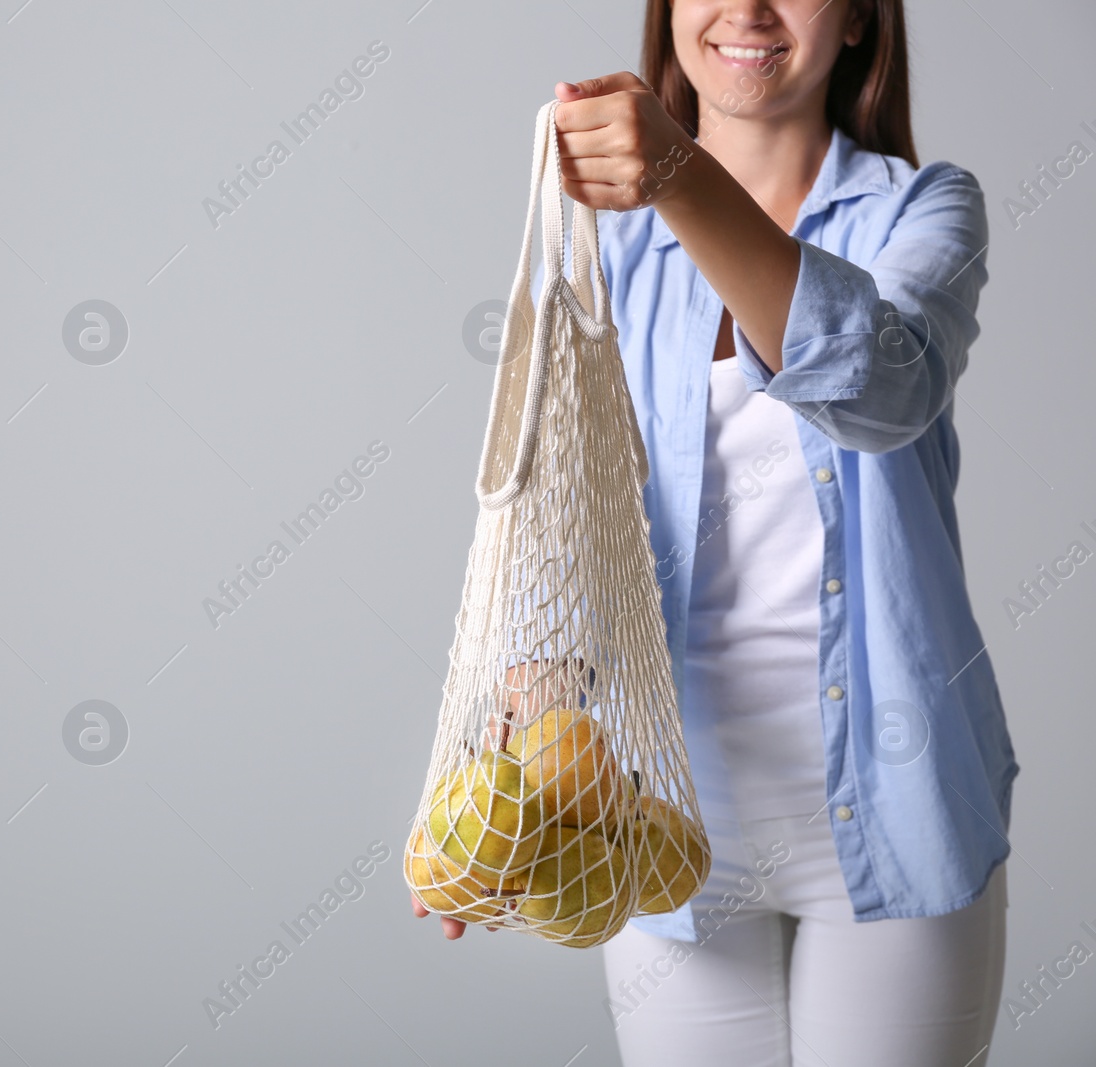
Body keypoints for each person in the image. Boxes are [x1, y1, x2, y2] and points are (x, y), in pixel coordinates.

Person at [409, 1, 1017, 1063]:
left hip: (896, 803)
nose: (744, 8)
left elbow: (884, 386)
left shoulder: (921, 209)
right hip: (653, 822)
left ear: (862, 20)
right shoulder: (608, 241)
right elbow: (560, 527)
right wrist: (513, 796)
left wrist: (683, 175)